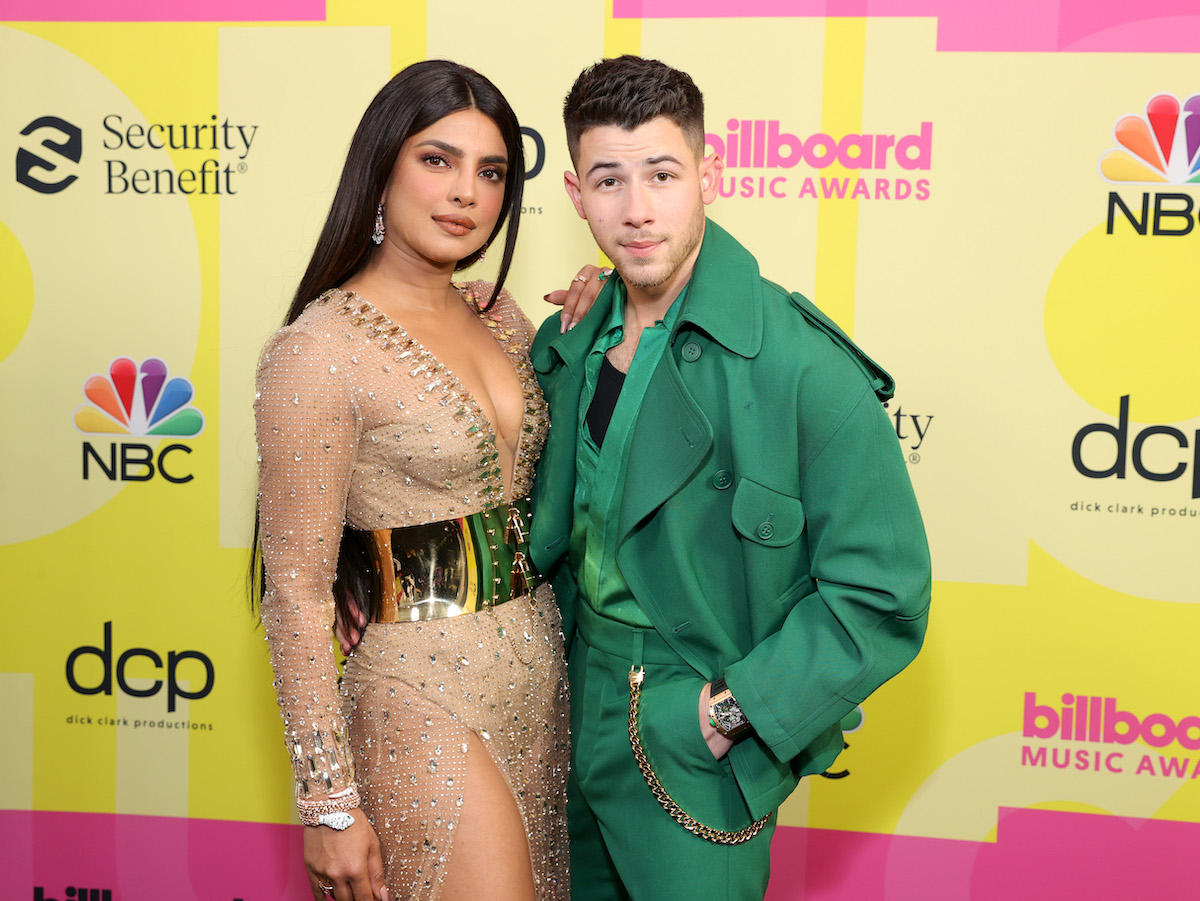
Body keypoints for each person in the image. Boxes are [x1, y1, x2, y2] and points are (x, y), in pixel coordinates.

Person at [528, 55, 933, 901]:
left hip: (690, 723)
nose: (636, 211)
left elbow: (882, 590)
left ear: (710, 173)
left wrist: (725, 713)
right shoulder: (568, 340)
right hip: (561, 701)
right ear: (574, 194)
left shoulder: (800, 366)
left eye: (663, 174)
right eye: (609, 180)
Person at [252, 60, 600, 901]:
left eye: (491, 173)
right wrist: (330, 805)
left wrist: (604, 319)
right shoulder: (319, 349)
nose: (466, 194)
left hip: (538, 666)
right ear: (381, 168)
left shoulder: (500, 315)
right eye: (437, 161)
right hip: (418, 690)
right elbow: (295, 591)